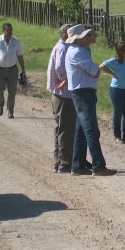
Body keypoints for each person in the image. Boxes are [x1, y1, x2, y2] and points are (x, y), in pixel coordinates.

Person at [65, 24, 116, 176]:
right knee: (91, 129)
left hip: (82, 92)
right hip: (83, 93)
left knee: (81, 130)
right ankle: (98, 165)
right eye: (88, 35)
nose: (91, 37)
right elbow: (95, 72)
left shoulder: (79, 51)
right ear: (80, 38)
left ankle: (78, 164)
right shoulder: (78, 52)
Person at [47, 24, 76, 173]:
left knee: (60, 128)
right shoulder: (63, 48)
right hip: (63, 94)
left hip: (58, 94)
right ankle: (64, 163)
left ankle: (58, 162)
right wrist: (66, 78)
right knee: (65, 128)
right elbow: (59, 67)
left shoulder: (59, 46)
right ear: (65, 34)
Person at [0, 23, 25, 119]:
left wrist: (23, 69)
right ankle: (0, 105)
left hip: (12, 69)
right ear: (3, 30)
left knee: (12, 91)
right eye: (7, 30)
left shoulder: (16, 41)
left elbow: (20, 55)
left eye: (11, 30)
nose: (9, 32)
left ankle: (10, 110)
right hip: (0, 69)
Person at [99, 41, 125, 145]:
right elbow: (102, 66)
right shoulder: (114, 61)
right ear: (121, 51)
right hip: (117, 90)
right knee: (118, 112)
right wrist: (112, 74)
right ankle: (117, 136)